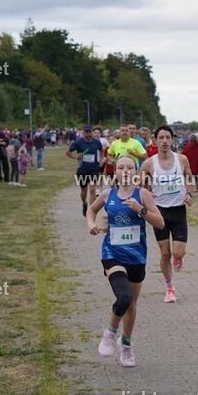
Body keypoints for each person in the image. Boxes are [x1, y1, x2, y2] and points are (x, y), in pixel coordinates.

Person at [86, 156, 165, 368]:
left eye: (130, 167)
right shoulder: (107, 194)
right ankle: (110, 333)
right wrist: (91, 224)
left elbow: (160, 222)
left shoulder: (143, 194)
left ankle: (127, 343)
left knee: (131, 305)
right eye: (121, 167)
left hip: (137, 257)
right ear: (115, 172)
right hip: (112, 254)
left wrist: (140, 209)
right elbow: (91, 209)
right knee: (123, 298)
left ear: (136, 172)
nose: (126, 171)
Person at [140, 125, 193, 302]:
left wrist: (189, 194)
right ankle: (170, 288)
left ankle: (178, 260)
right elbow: (142, 186)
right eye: (160, 138)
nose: (164, 141)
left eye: (167, 138)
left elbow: (189, 178)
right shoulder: (149, 163)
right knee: (165, 253)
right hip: (159, 212)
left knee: (177, 253)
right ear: (155, 140)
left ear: (172, 140)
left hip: (178, 210)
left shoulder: (182, 159)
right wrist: (147, 195)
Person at [66, 126, 104, 215]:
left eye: (90, 132)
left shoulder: (97, 142)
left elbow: (102, 150)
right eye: (86, 132)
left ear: (92, 133)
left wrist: (101, 160)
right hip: (82, 169)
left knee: (92, 189)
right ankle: (84, 203)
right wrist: (76, 157)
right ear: (83, 133)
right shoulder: (78, 142)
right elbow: (68, 153)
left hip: (94, 168)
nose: (88, 134)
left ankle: (91, 211)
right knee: (84, 191)